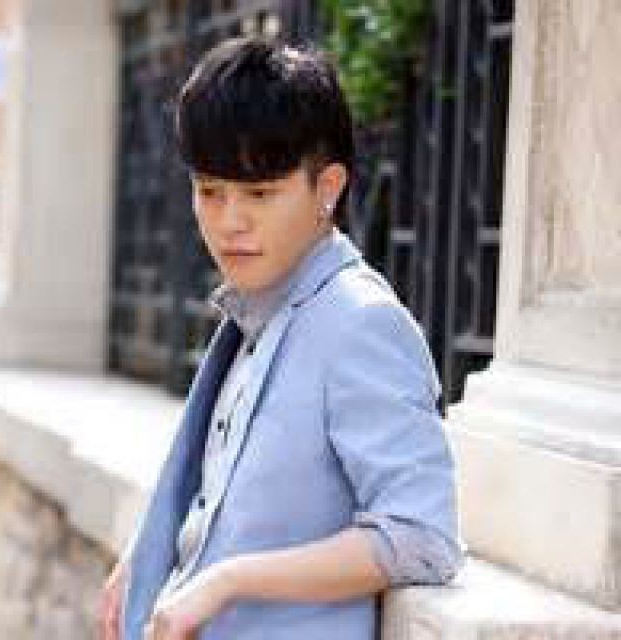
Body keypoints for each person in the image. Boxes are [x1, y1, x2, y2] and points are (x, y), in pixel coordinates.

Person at [98, 35, 467, 640]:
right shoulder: (259, 311)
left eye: (260, 193)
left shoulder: (359, 323)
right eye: (209, 191)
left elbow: (422, 536)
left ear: (328, 188)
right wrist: (153, 553)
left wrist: (228, 580)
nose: (229, 221)